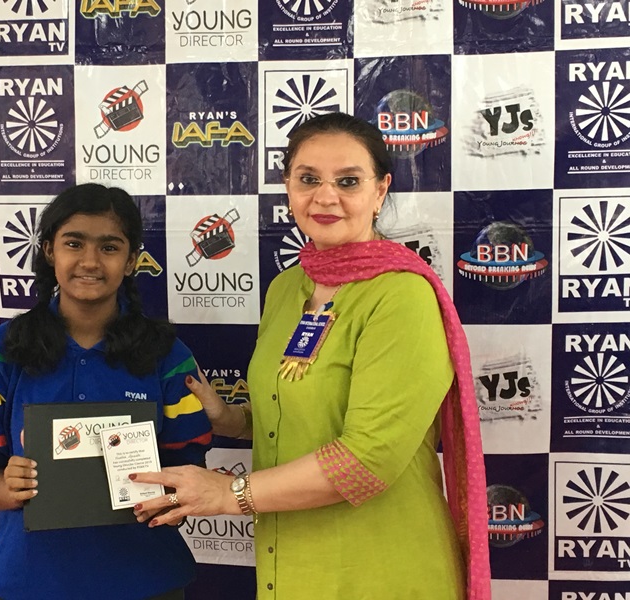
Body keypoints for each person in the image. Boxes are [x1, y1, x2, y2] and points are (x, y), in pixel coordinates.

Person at [132, 113, 491, 600]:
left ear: (380, 190)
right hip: (291, 565)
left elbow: (367, 459)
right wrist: (232, 419)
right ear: (287, 186)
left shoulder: (402, 296)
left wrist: (228, 494)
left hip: (382, 570)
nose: (325, 197)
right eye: (308, 179)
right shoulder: (287, 288)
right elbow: (300, 417)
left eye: (348, 181)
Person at [0, 183, 213, 600]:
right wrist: (7, 487)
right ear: (49, 251)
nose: (90, 261)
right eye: (74, 244)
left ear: (131, 260)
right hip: (27, 583)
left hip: (146, 582)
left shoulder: (167, 355)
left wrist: (172, 498)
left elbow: (189, 468)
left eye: (109, 247)